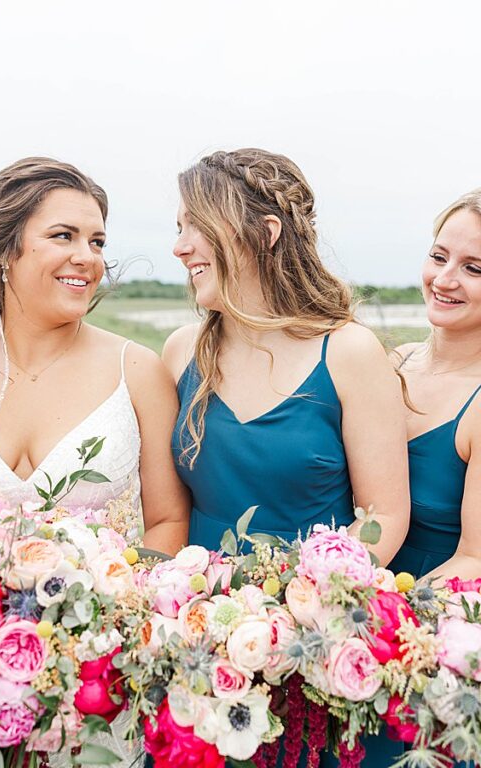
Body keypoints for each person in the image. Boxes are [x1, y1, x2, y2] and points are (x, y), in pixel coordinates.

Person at [161, 148, 410, 766]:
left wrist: (293, 619)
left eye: (196, 226)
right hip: (197, 643)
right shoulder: (180, 351)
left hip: (312, 648)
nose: (180, 247)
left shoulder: (349, 352)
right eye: (178, 227)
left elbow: (385, 516)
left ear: (266, 233)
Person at [0, 157, 191, 766]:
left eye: (97, 242)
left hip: (95, 680)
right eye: (63, 236)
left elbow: (168, 521)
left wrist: (96, 633)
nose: (87, 257)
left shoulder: (136, 370)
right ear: (5, 250)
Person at [390, 189, 481, 584]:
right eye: (439, 257)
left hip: (434, 606)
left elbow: (475, 559)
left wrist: (385, 607)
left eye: (473, 269)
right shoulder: (394, 363)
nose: (443, 280)